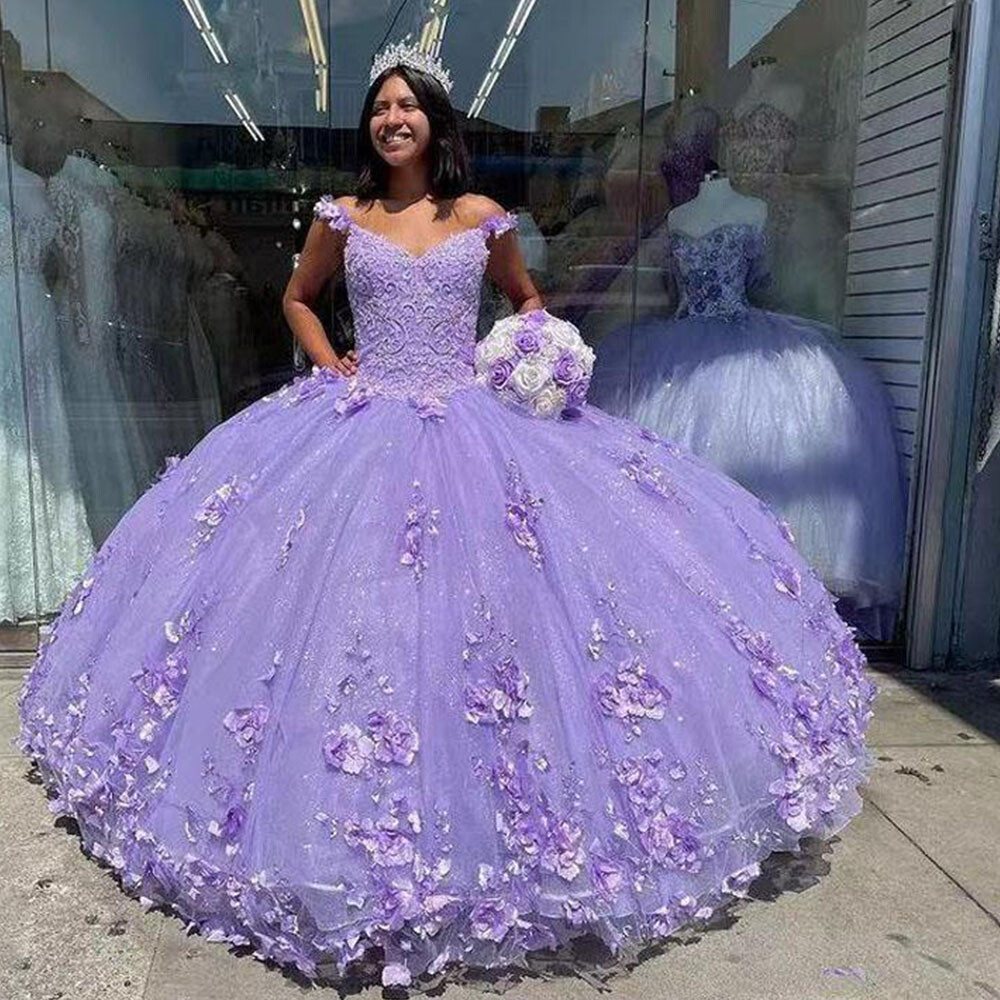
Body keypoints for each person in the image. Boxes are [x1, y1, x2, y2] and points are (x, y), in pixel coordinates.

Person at [16, 40, 877, 991]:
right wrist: (329, 358)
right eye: (380, 106)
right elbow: (299, 299)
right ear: (370, 124)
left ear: (434, 119)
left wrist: (527, 355)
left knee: (502, 618)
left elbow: (527, 301)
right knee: (350, 615)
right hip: (358, 424)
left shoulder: (481, 217)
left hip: (471, 425)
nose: (392, 118)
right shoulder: (340, 216)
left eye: (407, 104)